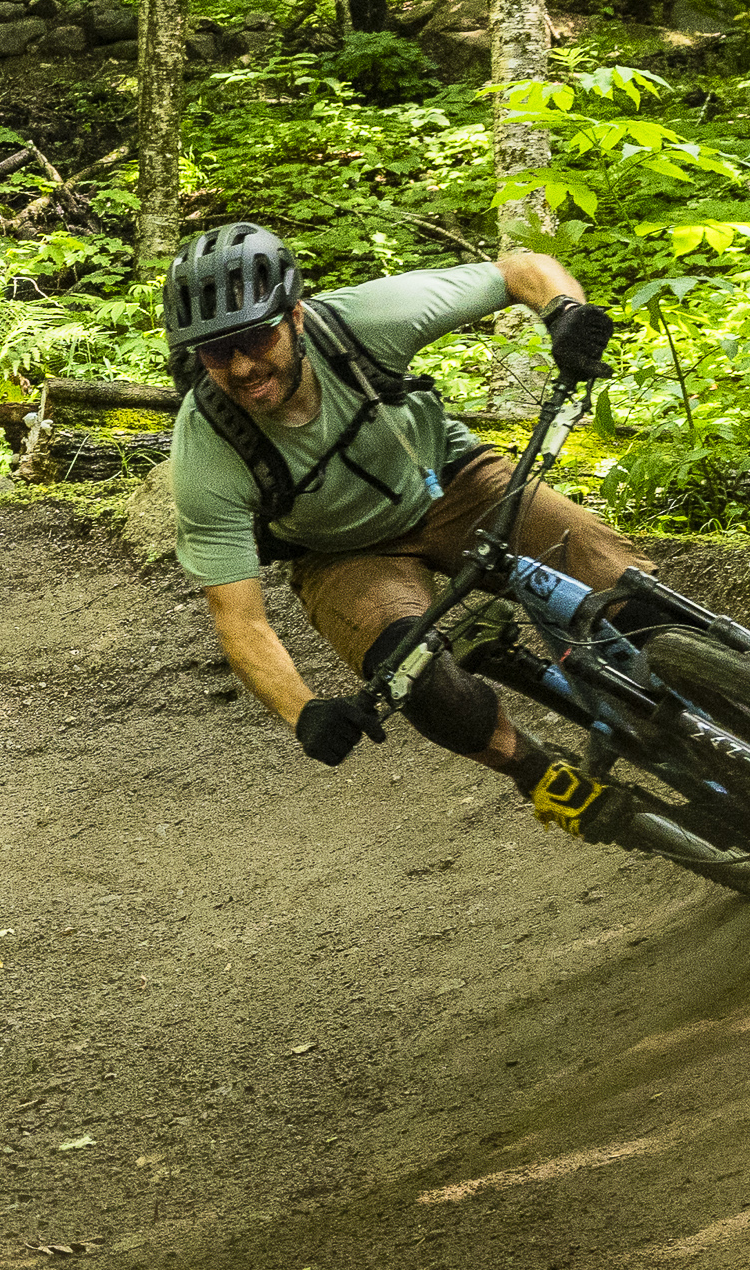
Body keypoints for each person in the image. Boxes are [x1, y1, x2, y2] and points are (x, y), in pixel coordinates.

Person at [160, 221, 647, 844]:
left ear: (298, 318)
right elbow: (239, 616)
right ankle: (538, 771)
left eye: (258, 337)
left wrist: (565, 314)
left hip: (453, 483)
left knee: (626, 591)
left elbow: (520, 271)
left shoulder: (368, 322)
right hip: (339, 555)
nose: (244, 365)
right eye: (217, 351)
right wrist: (302, 711)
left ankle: (722, 684)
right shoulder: (206, 453)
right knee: (416, 680)